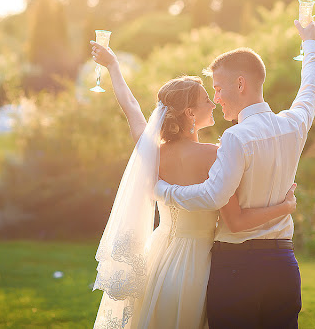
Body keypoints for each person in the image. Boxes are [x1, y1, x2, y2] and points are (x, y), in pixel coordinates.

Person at [89, 40, 298, 329]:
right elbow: (234, 219)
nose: (214, 102)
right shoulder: (216, 155)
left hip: (158, 261)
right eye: (205, 101)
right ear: (190, 113)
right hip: (198, 267)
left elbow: (132, 109)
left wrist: (113, 67)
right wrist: (285, 205)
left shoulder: (153, 150)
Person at [154, 20, 315, 328]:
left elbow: (213, 195)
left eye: (218, 89)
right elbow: (310, 89)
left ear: (241, 84)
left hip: (236, 267)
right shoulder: (295, 123)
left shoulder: (235, 138)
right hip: (284, 265)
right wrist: (311, 44)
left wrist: (164, 191)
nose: (215, 98)